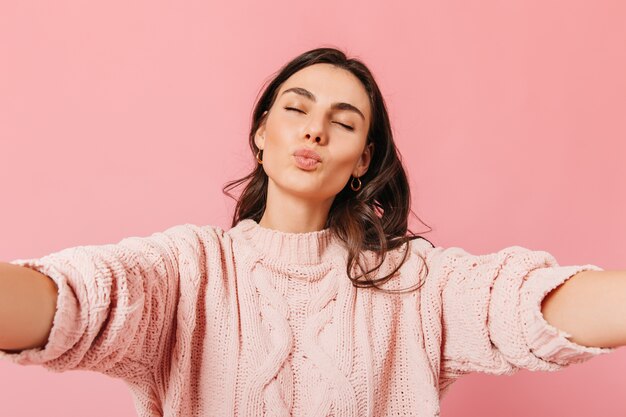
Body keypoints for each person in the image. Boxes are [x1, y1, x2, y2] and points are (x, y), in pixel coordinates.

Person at [0, 47, 620, 417]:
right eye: (296, 109)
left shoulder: (412, 282)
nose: (315, 131)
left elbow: (530, 306)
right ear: (261, 133)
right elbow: (79, 303)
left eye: (342, 123)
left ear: (361, 163)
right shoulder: (190, 268)